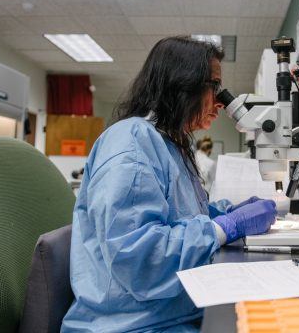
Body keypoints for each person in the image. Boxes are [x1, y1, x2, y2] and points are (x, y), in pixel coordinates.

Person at [61, 36, 277, 333]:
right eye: (214, 86)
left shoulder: (169, 144)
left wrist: (223, 213)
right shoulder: (132, 141)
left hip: (167, 312)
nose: (220, 101)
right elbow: (140, 259)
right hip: (132, 325)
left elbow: (178, 215)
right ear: (182, 84)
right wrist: (225, 227)